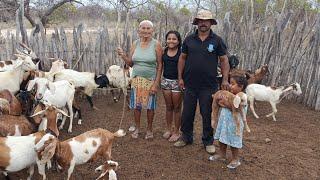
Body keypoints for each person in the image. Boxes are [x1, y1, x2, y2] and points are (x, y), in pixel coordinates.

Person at [174, 9, 230, 154]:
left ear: (211, 23)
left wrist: (225, 79)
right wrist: (180, 77)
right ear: (197, 22)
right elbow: (182, 58)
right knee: (187, 113)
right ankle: (186, 137)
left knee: (207, 113)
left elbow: (224, 60)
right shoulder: (189, 40)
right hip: (189, 84)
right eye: (200, 20)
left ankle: (208, 141)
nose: (203, 23)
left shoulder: (217, 40)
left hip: (209, 85)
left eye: (206, 21)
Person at [117, 20, 163, 139]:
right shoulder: (135, 44)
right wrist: (123, 55)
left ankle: (149, 129)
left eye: (148, 28)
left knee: (150, 106)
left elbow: (160, 65)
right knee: (136, 106)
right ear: (139, 30)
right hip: (136, 80)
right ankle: (137, 128)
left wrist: (156, 84)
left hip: (150, 80)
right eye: (143, 28)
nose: (146, 31)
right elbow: (131, 63)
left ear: (152, 31)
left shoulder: (156, 44)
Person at [209, 75, 248, 169]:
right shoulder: (228, 95)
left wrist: (225, 104)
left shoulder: (242, 98)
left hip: (235, 125)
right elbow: (219, 103)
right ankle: (222, 155)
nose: (230, 86)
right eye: (230, 83)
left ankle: (235, 159)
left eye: (233, 84)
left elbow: (237, 108)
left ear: (241, 86)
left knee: (234, 141)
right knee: (222, 138)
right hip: (224, 122)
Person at [161, 31, 183, 142]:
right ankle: (169, 129)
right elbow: (160, 65)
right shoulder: (164, 51)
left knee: (177, 107)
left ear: (178, 41)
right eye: (169, 38)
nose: (171, 41)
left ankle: (176, 131)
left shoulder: (182, 52)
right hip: (165, 81)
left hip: (177, 82)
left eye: (174, 39)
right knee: (169, 107)